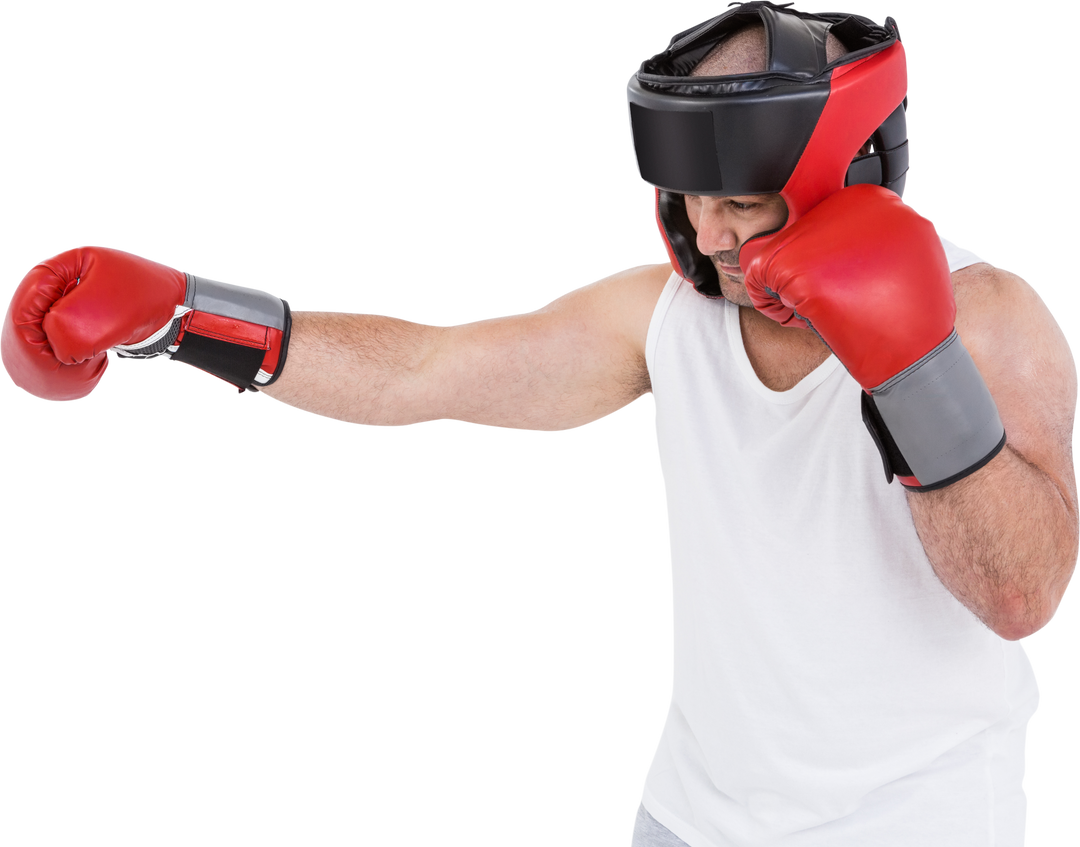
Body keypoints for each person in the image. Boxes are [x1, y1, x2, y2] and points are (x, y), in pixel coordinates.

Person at [2, 3, 1077, 845]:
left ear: (844, 176)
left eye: (741, 202)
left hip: (913, 831)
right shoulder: (668, 317)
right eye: (690, 198)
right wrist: (192, 316)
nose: (711, 235)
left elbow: (1021, 594)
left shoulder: (988, 317)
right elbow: (427, 369)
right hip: (692, 821)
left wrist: (909, 363)